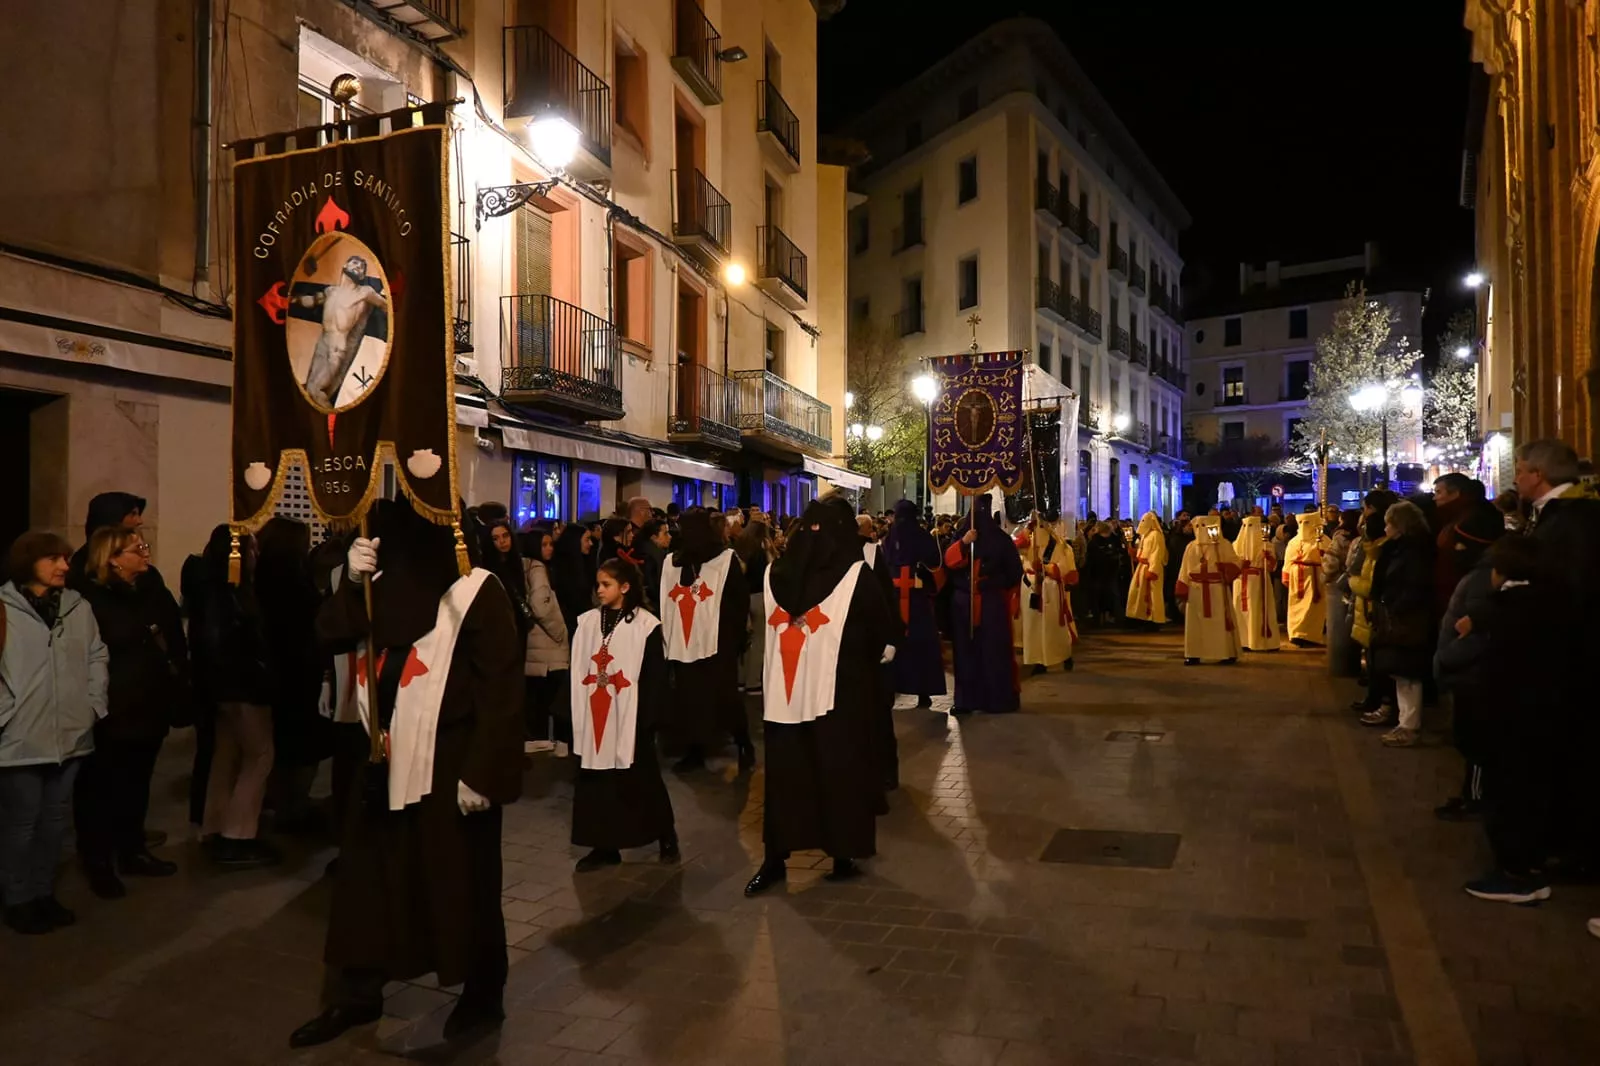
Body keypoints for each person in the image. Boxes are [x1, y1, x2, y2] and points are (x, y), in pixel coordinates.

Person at [289, 501, 524, 1049]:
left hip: (452, 766)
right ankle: (356, 993)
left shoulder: (476, 591)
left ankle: (483, 995)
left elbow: (501, 690)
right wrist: (349, 579)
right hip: (383, 761)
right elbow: (332, 633)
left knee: (461, 884)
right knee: (366, 885)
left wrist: (484, 772)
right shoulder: (381, 585)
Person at [744, 499, 891, 896]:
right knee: (836, 773)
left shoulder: (775, 573)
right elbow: (879, 628)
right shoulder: (856, 575)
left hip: (784, 698)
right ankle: (841, 853)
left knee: (787, 778)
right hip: (837, 698)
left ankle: (775, 858)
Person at [0, 533, 107, 934]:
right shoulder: (4, 608)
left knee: (54, 823)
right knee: (20, 824)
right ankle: (17, 898)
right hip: (20, 737)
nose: (65, 565)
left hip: (71, 735)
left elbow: (97, 654)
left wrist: (93, 703)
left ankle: (43, 893)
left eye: (65, 558)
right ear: (28, 562)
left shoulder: (78, 607)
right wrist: (5, 714)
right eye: (53, 559)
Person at [74, 526, 186, 899]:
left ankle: (132, 849)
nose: (144, 553)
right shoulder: (92, 598)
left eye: (144, 546)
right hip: (114, 708)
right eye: (135, 549)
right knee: (103, 789)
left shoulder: (150, 588)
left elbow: (169, 627)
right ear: (112, 559)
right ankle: (99, 861)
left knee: (137, 784)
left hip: (149, 703)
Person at [1454, 536, 1562, 905]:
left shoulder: (1511, 611)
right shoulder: (1550, 604)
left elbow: (1499, 671)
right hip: (1540, 714)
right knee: (1531, 791)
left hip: (1512, 718)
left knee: (1509, 793)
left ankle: (1516, 874)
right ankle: (1529, 865)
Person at [568, 557, 677, 871]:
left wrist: (647, 717)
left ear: (625, 587)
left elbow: (655, 674)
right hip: (596, 714)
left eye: (607, 585)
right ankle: (604, 846)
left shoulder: (645, 625)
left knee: (640, 780)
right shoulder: (588, 622)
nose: (599, 590)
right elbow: (579, 669)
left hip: (630, 715)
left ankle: (665, 834)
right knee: (595, 782)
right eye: (598, 584)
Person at [191, 526, 280, 868]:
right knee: (259, 756)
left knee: (226, 755)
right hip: (242, 688)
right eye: (252, 550)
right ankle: (238, 835)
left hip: (222, 689)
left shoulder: (208, 588)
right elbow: (228, 646)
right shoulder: (232, 595)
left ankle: (215, 826)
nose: (257, 557)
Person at [660, 508, 753, 773]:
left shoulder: (725, 560)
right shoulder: (673, 563)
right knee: (690, 699)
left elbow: (738, 600)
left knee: (725, 697)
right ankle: (695, 750)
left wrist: (732, 638)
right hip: (685, 642)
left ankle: (744, 743)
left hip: (718, 642)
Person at [255, 517, 329, 833]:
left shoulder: (256, 578)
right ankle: (292, 807)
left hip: (269, 675)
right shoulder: (297, 586)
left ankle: (275, 801)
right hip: (298, 676)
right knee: (300, 746)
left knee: (278, 744)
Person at [1432, 504, 1505, 822]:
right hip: (1466, 672)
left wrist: (1447, 658)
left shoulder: (1481, 579)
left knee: (1474, 741)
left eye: (1461, 545)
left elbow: (1474, 632)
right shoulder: (1479, 573)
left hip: (1470, 673)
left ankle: (1475, 797)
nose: (1456, 551)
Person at [945, 495, 1024, 715]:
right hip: (965, 603)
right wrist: (964, 544)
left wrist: (994, 586)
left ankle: (997, 699)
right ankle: (966, 699)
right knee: (964, 652)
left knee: (994, 651)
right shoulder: (963, 536)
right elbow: (950, 562)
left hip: (991, 603)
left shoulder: (1001, 540)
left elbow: (1013, 573)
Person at [1366, 501, 1435, 748]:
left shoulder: (1414, 551)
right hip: (1396, 616)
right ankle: (1403, 720)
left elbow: (1414, 585)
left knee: (1407, 672)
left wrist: (1396, 607)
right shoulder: (1397, 548)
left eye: (1388, 523)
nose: (1385, 529)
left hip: (1407, 618)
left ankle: (1409, 725)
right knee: (1399, 671)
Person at [880, 499, 946, 707]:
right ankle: (923, 691)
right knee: (921, 643)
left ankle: (891, 688)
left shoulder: (889, 538)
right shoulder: (922, 536)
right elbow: (935, 562)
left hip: (894, 596)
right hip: (916, 598)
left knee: (894, 641)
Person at [520, 526, 569, 754]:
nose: (549, 548)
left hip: (534, 646)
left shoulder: (524, 566)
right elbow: (541, 605)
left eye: (551, 544)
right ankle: (558, 741)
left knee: (537, 696)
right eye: (544, 544)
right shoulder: (538, 568)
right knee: (556, 695)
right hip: (548, 646)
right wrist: (560, 631)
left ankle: (537, 736)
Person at [1174, 516, 1240, 666]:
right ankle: (1194, 653)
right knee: (1196, 625)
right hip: (1196, 590)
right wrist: (1182, 587)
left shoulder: (1222, 545)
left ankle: (1225, 652)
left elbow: (1235, 563)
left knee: (1220, 622)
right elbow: (1185, 569)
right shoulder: (1191, 547)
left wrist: (1226, 568)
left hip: (1216, 588)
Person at [1016, 514, 1077, 673]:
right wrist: (1028, 528)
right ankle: (1038, 660)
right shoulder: (1028, 541)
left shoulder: (1059, 545)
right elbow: (1018, 545)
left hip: (1050, 589)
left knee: (1052, 627)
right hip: (1030, 587)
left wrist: (1045, 568)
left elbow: (1064, 568)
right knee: (1033, 628)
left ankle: (1063, 655)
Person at [69, 492, 165, 592]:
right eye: (133, 514)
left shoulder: (149, 576)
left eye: (144, 547)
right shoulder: (81, 570)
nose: (140, 521)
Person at [735, 518, 778, 695]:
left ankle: (741, 679)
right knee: (759, 640)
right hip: (760, 597)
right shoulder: (763, 548)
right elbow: (772, 568)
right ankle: (754, 682)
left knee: (745, 641)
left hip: (743, 598)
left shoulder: (741, 547)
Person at [1231, 514, 1280, 652]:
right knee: (1241, 610)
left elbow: (1272, 567)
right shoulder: (1236, 545)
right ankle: (1243, 640)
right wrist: (1240, 564)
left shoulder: (1266, 545)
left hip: (1260, 581)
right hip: (1241, 581)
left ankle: (1260, 641)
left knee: (1259, 609)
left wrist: (1268, 558)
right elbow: (1231, 562)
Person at [1323, 510, 1362, 675]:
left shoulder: (1339, 538)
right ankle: (1354, 664)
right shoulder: (1361, 539)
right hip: (1358, 585)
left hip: (1339, 586)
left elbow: (1330, 564)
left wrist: (1325, 575)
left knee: (1339, 627)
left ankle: (1341, 666)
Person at [1282, 510, 1328, 646]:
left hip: (1315, 576)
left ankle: (1311, 635)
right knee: (1297, 605)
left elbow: (1327, 556)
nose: (1304, 526)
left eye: (1307, 523)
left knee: (1314, 607)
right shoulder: (1294, 542)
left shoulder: (1323, 540)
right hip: (1298, 577)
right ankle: (1297, 633)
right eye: (1301, 523)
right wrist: (1286, 574)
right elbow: (1288, 559)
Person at [1125, 511, 1168, 625]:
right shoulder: (1145, 535)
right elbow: (1143, 550)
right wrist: (1135, 554)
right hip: (1142, 567)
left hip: (1151, 568)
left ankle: (1154, 620)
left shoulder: (1156, 535)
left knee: (1153, 595)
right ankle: (1142, 618)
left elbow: (1157, 553)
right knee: (1139, 594)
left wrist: (1153, 569)